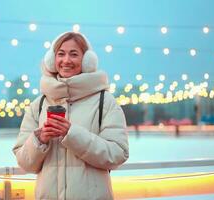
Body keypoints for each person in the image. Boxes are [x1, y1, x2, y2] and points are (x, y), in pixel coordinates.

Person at [13, 31, 129, 200]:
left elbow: (118, 154)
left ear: (87, 61)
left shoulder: (105, 102)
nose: (66, 60)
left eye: (74, 54)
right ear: (52, 60)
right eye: (61, 54)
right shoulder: (38, 105)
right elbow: (25, 163)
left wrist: (72, 134)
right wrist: (39, 140)